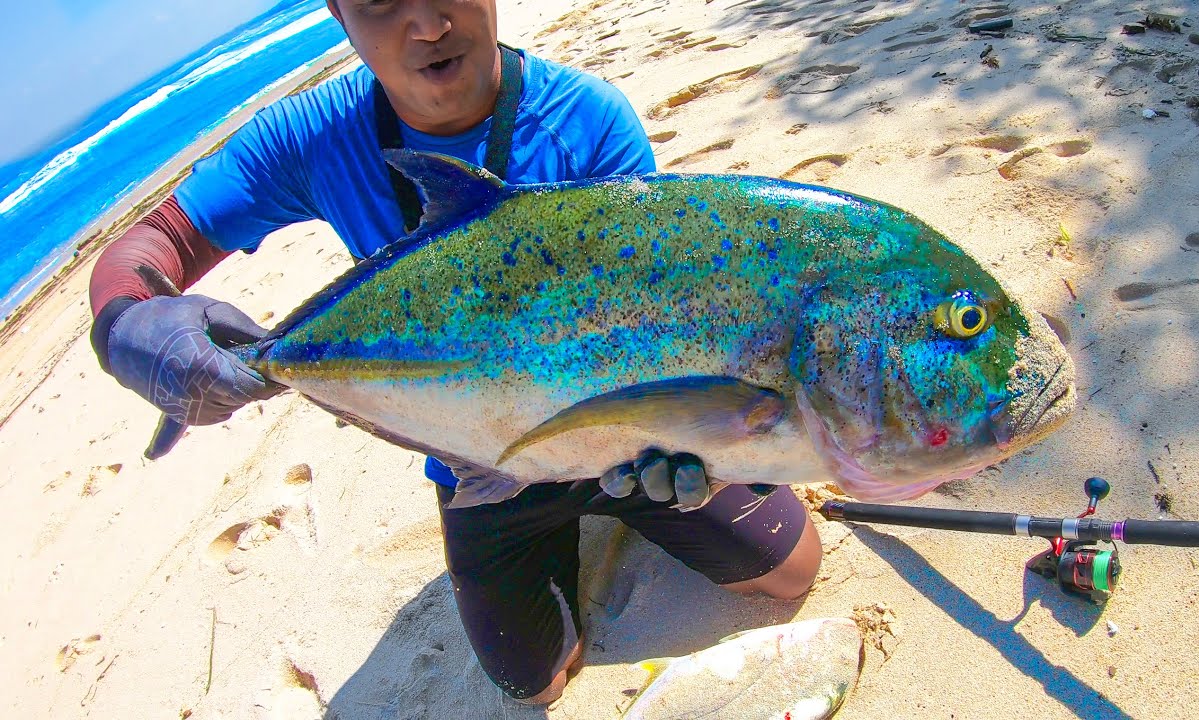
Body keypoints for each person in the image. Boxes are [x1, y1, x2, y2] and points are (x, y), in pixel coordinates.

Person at [87, 0, 821, 705]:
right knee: (535, 684)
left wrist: (691, 433)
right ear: (336, 13)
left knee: (791, 573)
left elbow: (658, 321)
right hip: (473, 458)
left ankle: (616, 511)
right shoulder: (310, 134)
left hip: (620, 446)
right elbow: (163, 241)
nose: (430, 25)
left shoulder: (588, 121)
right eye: (380, 1)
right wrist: (124, 327)